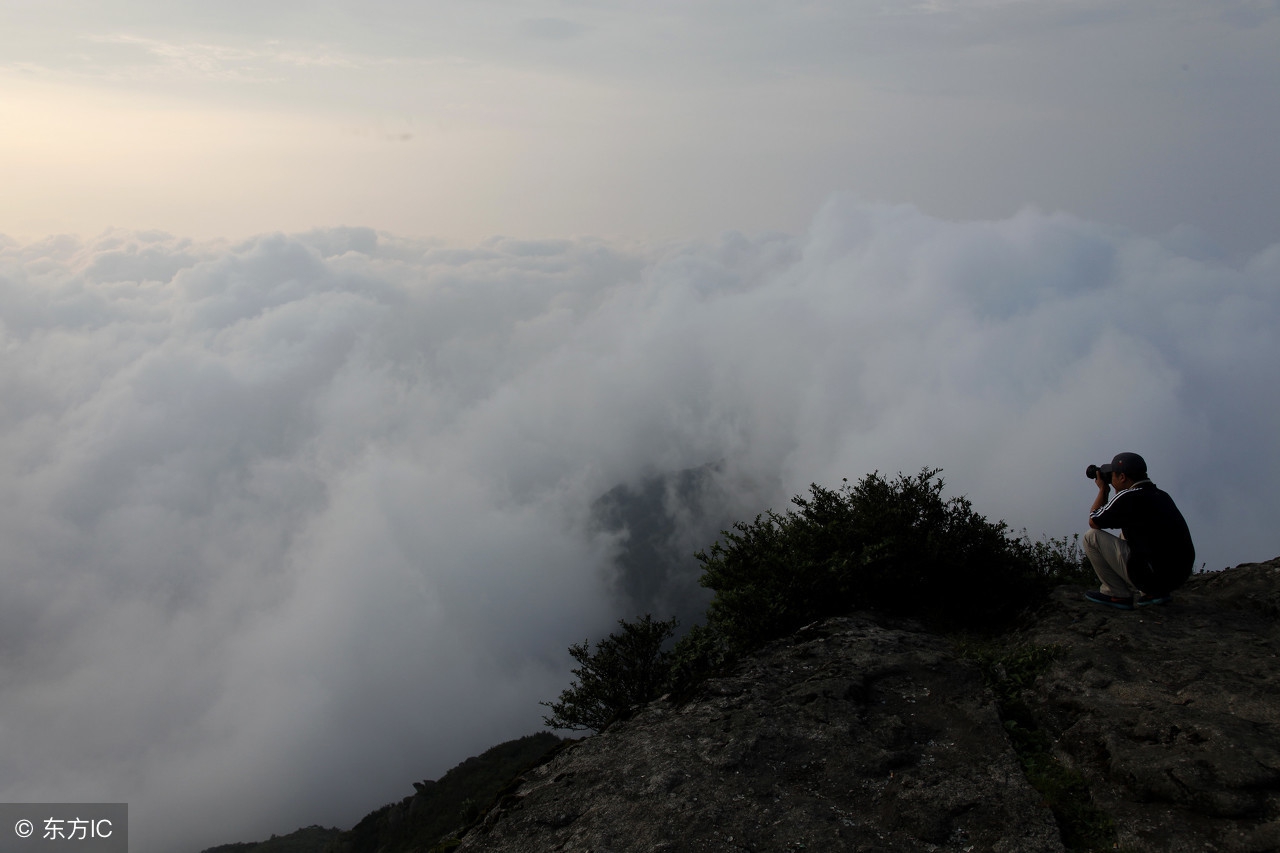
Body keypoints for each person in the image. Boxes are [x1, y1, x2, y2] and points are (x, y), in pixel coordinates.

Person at [1083, 452, 1195, 610]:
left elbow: (1094, 521)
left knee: (1091, 537)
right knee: (1132, 532)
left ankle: (1116, 593)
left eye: (1113, 475)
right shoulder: (1162, 495)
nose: (1111, 479)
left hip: (1151, 577)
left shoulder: (1128, 497)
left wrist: (1103, 490)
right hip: (1178, 576)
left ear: (1122, 477)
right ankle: (1152, 593)